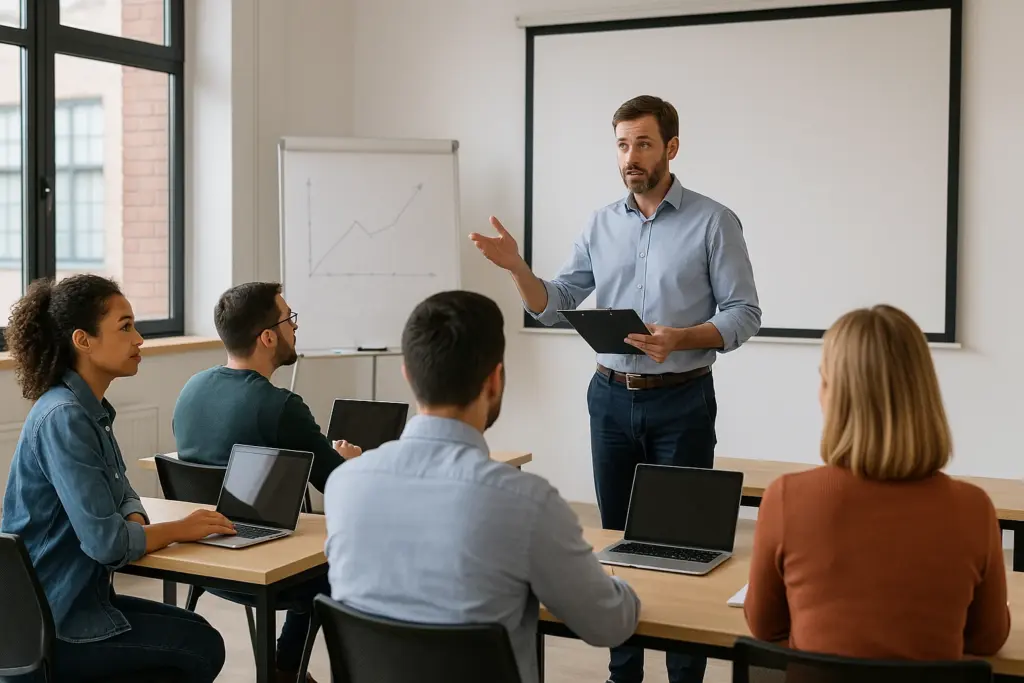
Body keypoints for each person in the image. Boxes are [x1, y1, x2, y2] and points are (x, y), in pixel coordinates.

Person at [470, 95, 760, 683]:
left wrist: (681, 337)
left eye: (644, 144)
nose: (631, 157)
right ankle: (621, 671)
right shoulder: (600, 222)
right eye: (623, 145)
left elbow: (744, 313)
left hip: (681, 399)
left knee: (683, 547)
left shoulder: (713, 221)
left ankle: (685, 674)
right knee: (618, 540)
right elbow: (557, 303)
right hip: (608, 397)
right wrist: (517, 269)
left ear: (671, 148)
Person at [323, 290, 641, 683]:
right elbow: (609, 625)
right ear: (495, 379)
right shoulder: (526, 503)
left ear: (408, 374)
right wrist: (615, 584)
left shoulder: (344, 485)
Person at [0, 274, 232, 683]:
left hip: (76, 602)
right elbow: (108, 545)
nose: (139, 339)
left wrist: (136, 521)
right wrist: (181, 529)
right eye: (125, 327)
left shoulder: (89, 410)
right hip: (52, 625)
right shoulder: (65, 416)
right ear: (83, 340)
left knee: (200, 633)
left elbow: (125, 493)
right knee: (200, 648)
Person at [744, 304, 1011, 660]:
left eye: (823, 378)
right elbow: (987, 640)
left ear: (835, 396)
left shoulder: (786, 498)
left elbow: (765, 627)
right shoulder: (973, 507)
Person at [173, 281, 356, 683]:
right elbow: (341, 486)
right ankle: (286, 669)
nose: (296, 328)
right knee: (343, 557)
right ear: (268, 336)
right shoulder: (281, 406)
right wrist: (348, 460)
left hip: (199, 560)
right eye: (290, 319)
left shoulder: (191, 389)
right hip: (264, 566)